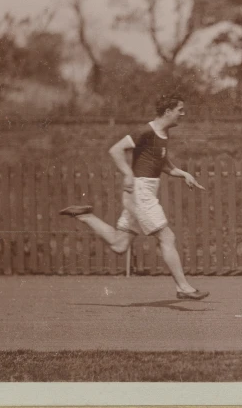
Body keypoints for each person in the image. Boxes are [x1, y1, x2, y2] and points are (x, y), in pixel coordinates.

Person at [60, 94, 209, 300]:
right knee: (167, 237)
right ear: (168, 112)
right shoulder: (145, 131)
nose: (183, 114)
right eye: (180, 110)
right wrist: (128, 174)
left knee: (119, 245)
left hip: (143, 191)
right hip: (141, 192)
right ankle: (183, 287)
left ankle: (84, 216)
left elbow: (162, 164)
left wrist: (184, 174)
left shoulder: (163, 134)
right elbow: (115, 150)